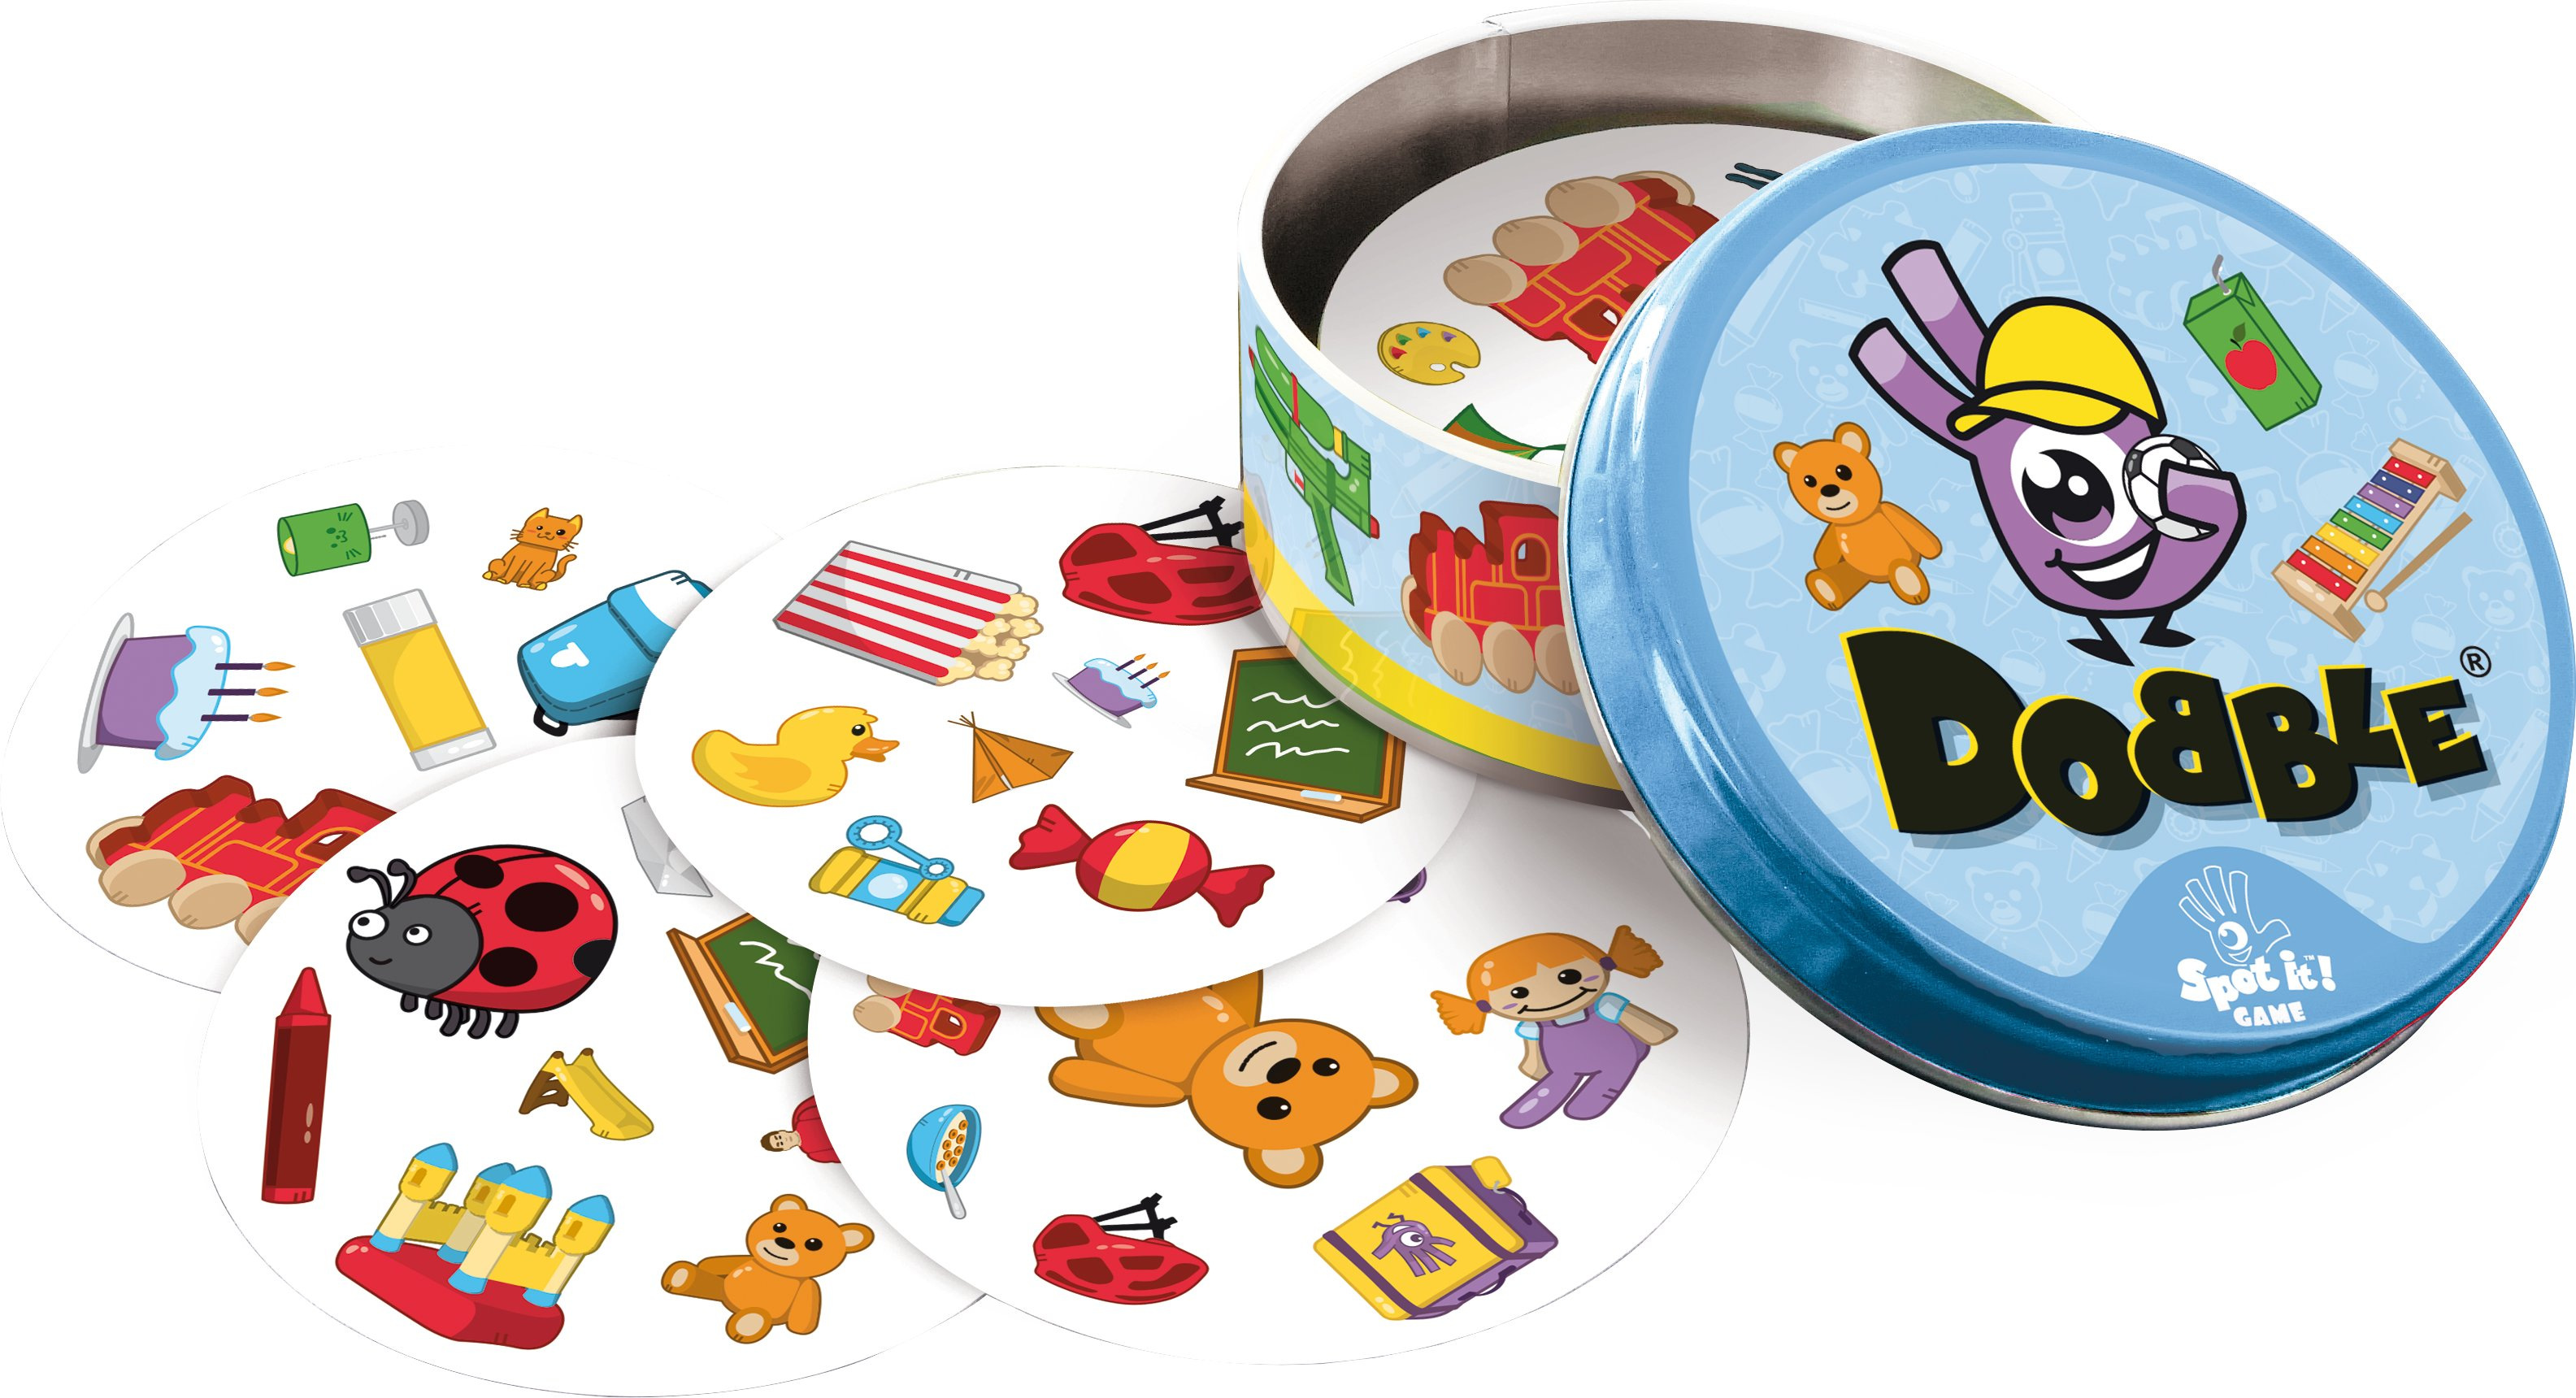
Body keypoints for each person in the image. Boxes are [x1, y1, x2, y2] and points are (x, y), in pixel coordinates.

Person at [1431, 925, 1675, 1127]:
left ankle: (1596, 1094)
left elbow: (1650, 1030)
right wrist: (1535, 1066)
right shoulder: (1533, 1026)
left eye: (1569, 977)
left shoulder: (1605, 1005)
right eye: (1519, 993)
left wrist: (1653, 1035)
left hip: (1617, 1055)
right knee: (1558, 1081)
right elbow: (1534, 1055)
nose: (1546, 996)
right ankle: (1534, 1107)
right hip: (1564, 1067)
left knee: (1609, 1076)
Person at [760, 1095, 838, 1164]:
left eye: (779, 1137)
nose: (784, 1140)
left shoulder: (800, 1114)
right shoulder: (813, 1154)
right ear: (786, 1148)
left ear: (781, 1132)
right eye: (781, 1144)